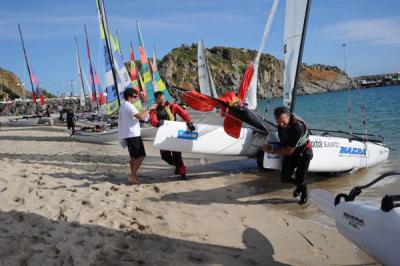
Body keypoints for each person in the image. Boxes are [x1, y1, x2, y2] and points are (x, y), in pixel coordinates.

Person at [262, 107, 313, 204]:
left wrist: (271, 150)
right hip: (291, 151)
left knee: (300, 179)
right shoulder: (282, 124)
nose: (281, 125)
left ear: (289, 117)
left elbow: (289, 151)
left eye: (283, 122)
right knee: (285, 178)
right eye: (278, 122)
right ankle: (299, 184)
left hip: (303, 153)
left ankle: (304, 191)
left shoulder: (297, 128)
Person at [149, 91, 195, 180]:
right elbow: (153, 120)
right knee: (165, 156)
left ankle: (182, 173)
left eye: (162, 97)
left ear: (164, 97)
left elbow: (183, 113)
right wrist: (158, 123)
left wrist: (189, 122)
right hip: (163, 135)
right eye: (159, 98)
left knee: (177, 154)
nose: (161, 100)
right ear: (156, 100)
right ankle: (178, 166)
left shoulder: (172, 106)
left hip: (174, 134)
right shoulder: (154, 109)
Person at [119, 88, 156, 185]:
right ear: (129, 97)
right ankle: (132, 175)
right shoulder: (129, 106)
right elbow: (141, 117)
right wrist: (150, 109)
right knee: (141, 156)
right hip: (132, 135)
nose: (136, 99)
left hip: (128, 134)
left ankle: (133, 175)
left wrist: (145, 112)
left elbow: (138, 116)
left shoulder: (123, 106)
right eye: (135, 97)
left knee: (134, 157)